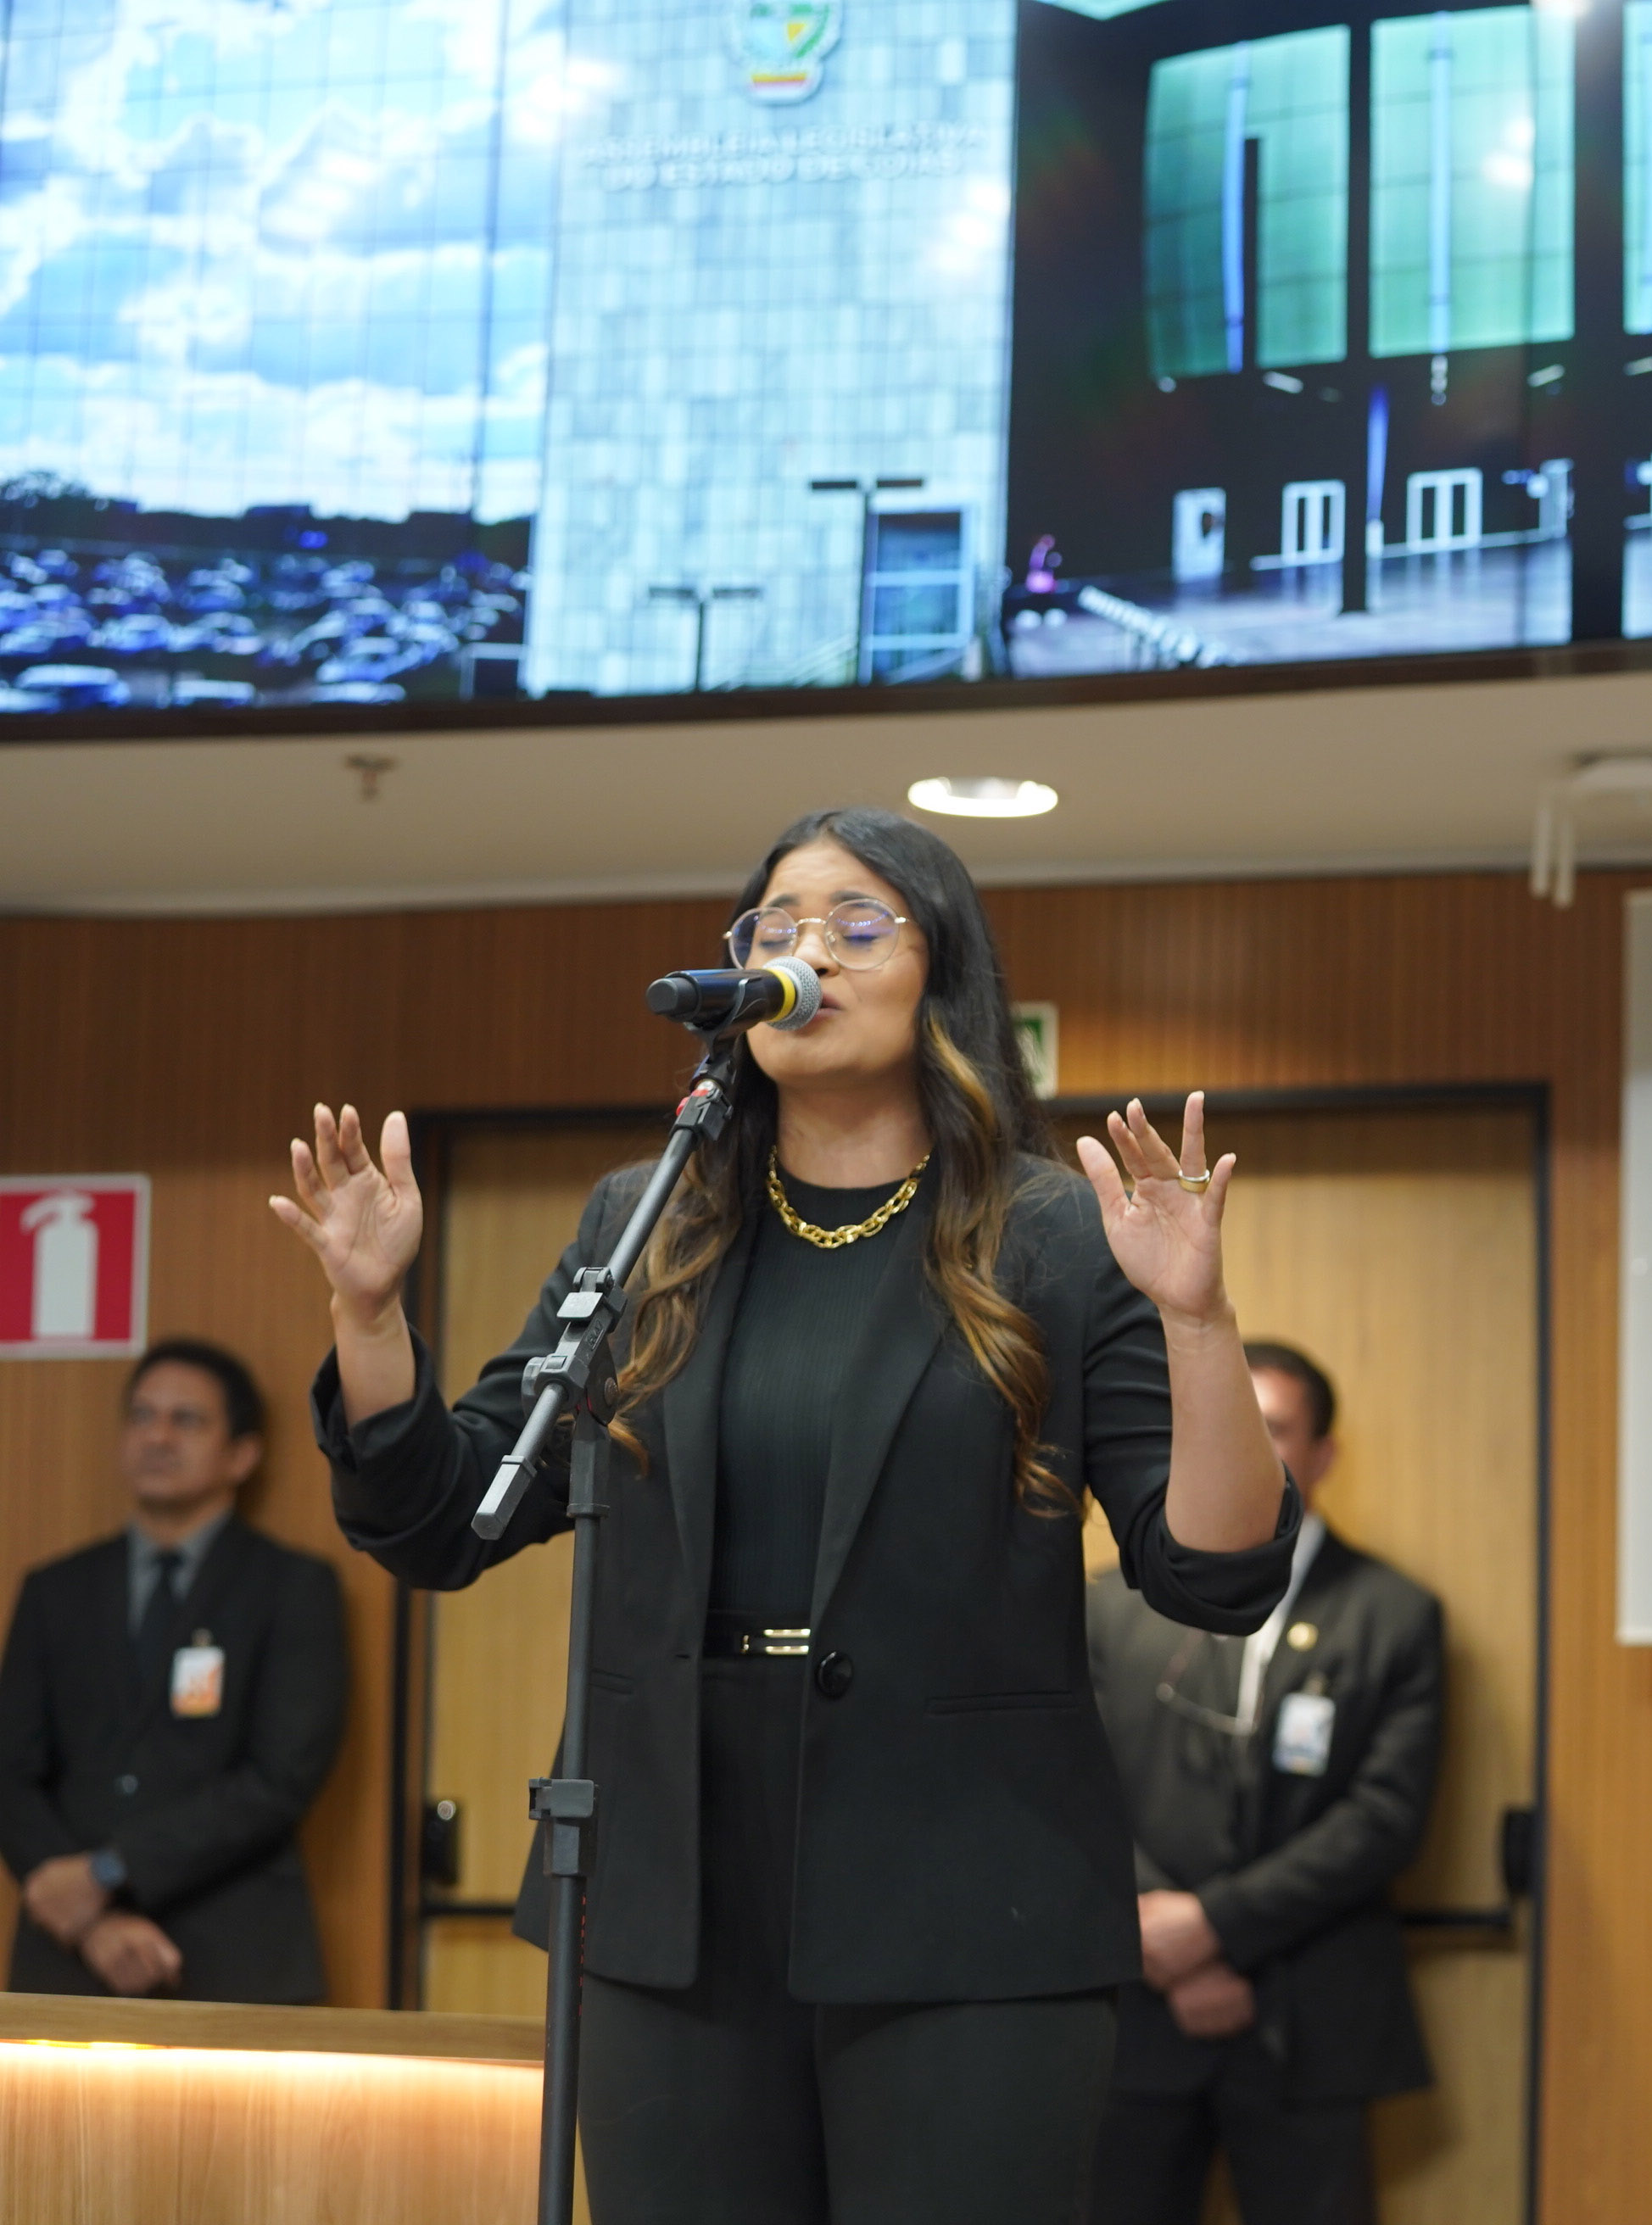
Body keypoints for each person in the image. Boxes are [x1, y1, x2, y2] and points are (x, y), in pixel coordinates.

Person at [279, 806, 1296, 2225]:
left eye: (857, 923)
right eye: (775, 926)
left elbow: (1213, 1572)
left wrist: (1197, 1320)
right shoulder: (648, 1220)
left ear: (943, 974)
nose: (807, 949)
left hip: (969, 1900)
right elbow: (450, 1516)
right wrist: (369, 1312)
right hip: (669, 1885)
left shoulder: (1054, 1233)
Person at [1087, 1341, 1443, 2225]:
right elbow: (1069, 1782)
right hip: (1134, 2012)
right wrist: (1160, 1935)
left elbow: (1384, 1818)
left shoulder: (1392, 1615)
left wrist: (1215, 1928)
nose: (1245, 1445)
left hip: (1306, 2019)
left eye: (1273, 1428)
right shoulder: (1108, 1604)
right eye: (1224, 1422)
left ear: (1322, 1455)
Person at [1, 1338, 349, 2003]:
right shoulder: (54, 1591)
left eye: (186, 1420)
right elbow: (10, 1772)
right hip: (70, 1960)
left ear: (241, 1454)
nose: (157, 1437)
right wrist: (90, 1921)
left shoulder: (293, 1588)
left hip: (235, 1955)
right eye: (142, 1416)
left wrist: (111, 1871)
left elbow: (280, 1778)